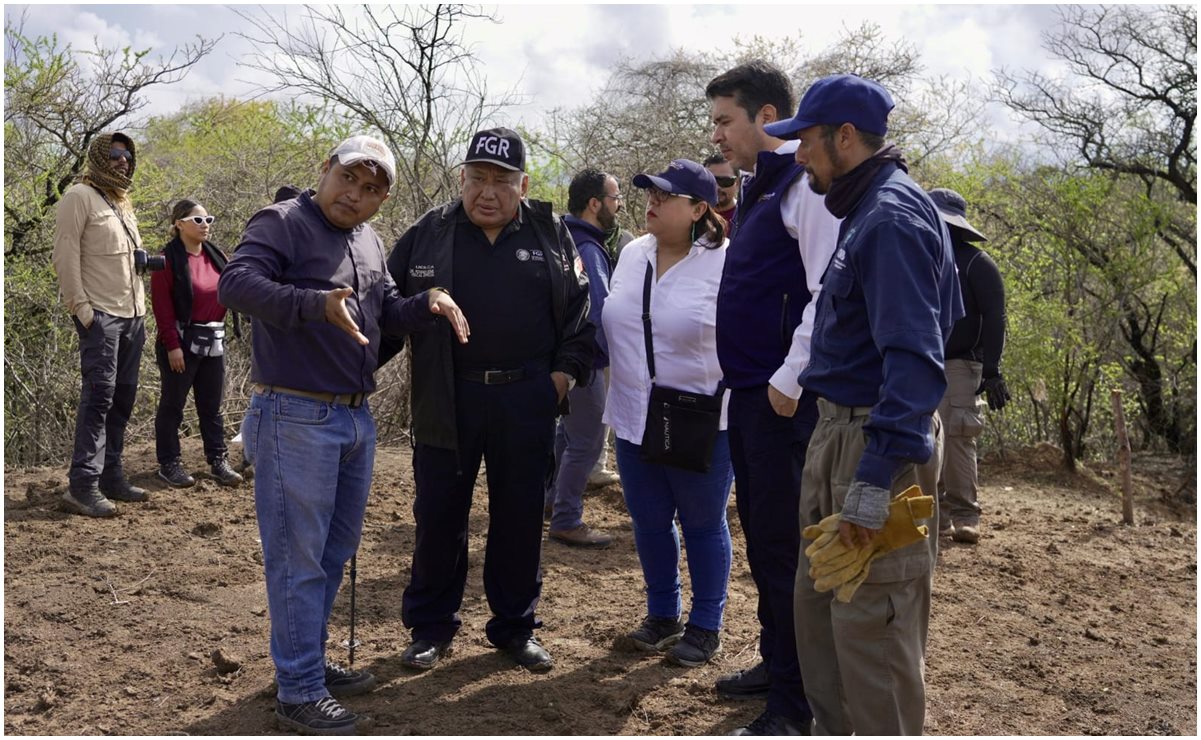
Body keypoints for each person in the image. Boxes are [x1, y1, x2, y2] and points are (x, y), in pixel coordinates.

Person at [219, 134, 470, 735]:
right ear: (325, 168)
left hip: (355, 418)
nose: (355, 196)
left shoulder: (368, 240)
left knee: (330, 555)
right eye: (349, 179)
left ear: (381, 200)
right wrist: (313, 304)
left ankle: (306, 662)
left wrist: (427, 301)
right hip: (294, 414)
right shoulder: (282, 222)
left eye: (372, 189)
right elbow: (235, 284)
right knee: (297, 557)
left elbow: (384, 308)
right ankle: (299, 691)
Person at [768, 74, 962, 735]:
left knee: (871, 633)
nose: (798, 156)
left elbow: (915, 363)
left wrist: (874, 480)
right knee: (827, 623)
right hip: (841, 435)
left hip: (873, 445)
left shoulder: (891, 220)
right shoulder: (868, 212)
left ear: (842, 137)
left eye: (805, 142)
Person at [380, 127, 594, 674]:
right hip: (446, 397)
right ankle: (430, 628)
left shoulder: (551, 234)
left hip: (526, 397)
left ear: (523, 185)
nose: (488, 192)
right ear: (462, 179)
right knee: (438, 517)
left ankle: (514, 627)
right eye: (477, 178)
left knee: (519, 518)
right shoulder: (429, 233)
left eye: (501, 181)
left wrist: (561, 379)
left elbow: (580, 313)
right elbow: (385, 303)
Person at [705, 61, 841, 735]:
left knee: (785, 549)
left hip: (785, 405)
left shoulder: (806, 187)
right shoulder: (761, 188)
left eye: (724, 120)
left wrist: (787, 383)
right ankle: (774, 665)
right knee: (763, 542)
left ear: (765, 118)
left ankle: (793, 705)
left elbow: (827, 292)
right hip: (752, 401)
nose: (717, 135)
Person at [603, 159, 733, 668]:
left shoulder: (725, 262)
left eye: (665, 196)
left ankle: (705, 625)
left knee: (702, 523)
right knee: (650, 520)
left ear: (699, 209)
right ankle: (662, 615)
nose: (651, 202)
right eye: (650, 193)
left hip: (699, 417)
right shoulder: (633, 253)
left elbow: (748, 340)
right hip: (634, 413)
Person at [51, 132, 150, 517]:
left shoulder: (123, 202)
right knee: (98, 399)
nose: (123, 161)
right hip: (101, 316)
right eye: (114, 154)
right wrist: (83, 310)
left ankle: (111, 477)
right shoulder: (78, 197)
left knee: (122, 400)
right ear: (98, 156)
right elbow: (65, 255)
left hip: (133, 315)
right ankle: (82, 486)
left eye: (127, 155)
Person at [928, 187, 1010, 545]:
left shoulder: (978, 264)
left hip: (960, 365)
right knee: (925, 440)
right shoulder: (922, 258)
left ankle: (965, 514)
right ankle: (935, 515)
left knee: (958, 437)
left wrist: (992, 370)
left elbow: (995, 317)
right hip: (921, 362)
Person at [544, 168, 620, 548]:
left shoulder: (563, 238)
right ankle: (567, 517)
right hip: (585, 361)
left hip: (561, 357)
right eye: (614, 198)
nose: (618, 206)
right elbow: (600, 311)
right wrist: (612, 356)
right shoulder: (588, 248)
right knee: (588, 441)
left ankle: (552, 500)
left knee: (567, 433)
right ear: (595, 204)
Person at [151, 199, 242, 488]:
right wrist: (172, 345)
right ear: (179, 224)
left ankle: (218, 460)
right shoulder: (167, 260)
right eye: (198, 221)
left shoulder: (217, 256)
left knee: (211, 406)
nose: (205, 226)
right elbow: (162, 308)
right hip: (180, 342)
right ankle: (169, 463)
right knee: (173, 405)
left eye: (209, 220)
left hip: (213, 341)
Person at [703, 152, 739, 224]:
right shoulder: (692, 215)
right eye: (711, 180)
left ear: (737, 183)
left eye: (725, 181)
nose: (717, 187)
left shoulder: (747, 218)